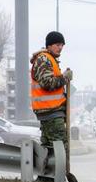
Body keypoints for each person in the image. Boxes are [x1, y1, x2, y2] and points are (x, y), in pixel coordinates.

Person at [30, 31, 73, 161]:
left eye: (62, 45)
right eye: (57, 44)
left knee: (49, 148)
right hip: (50, 111)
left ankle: (47, 178)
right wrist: (64, 77)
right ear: (49, 46)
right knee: (59, 148)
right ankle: (57, 176)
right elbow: (47, 83)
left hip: (50, 111)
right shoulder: (44, 59)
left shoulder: (49, 59)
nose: (60, 47)